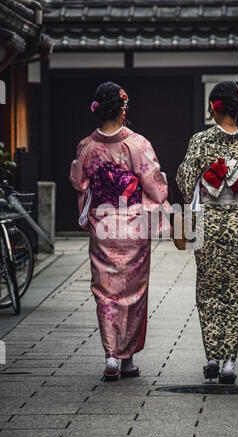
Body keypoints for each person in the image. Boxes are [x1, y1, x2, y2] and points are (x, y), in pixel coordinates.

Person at [176, 81, 238, 384]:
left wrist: (208, 180)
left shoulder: (200, 141)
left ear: (215, 107)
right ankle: (230, 361)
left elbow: (183, 180)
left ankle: (212, 357)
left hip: (207, 226)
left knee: (208, 292)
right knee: (237, 293)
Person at [70, 82, 169, 380]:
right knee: (134, 292)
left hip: (103, 224)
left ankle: (111, 356)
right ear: (123, 109)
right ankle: (127, 359)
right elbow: (155, 185)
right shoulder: (139, 144)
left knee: (106, 292)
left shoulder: (87, 147)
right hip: (134, 224)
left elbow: (80, 183)